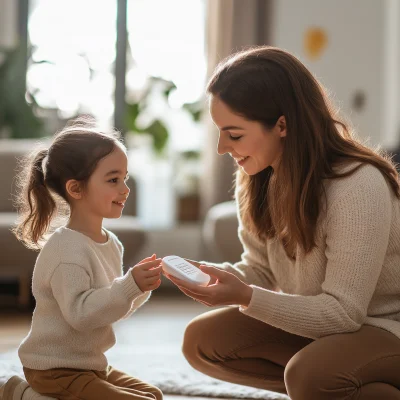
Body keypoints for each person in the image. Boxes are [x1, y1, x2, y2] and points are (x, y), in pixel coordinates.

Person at [164, 46, 400, 399]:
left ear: (283, 124)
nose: (221, 148)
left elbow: (344, 314)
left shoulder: (357, 185)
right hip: (324, 329)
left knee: (309, 375)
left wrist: (245, 296)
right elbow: (260, 269)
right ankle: (327, 381)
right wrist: (218, 278)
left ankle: (319, 379)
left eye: (235, 134)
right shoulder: (259, 177)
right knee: (202, 342)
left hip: (384, 326)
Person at [0, 117, 163, 400]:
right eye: (113, 180)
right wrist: (129, 285)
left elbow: (110, 309)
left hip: (90, 365)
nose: (125, 189)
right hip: (54, 368)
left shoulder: (111, 244)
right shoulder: (66, 250)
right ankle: (24, 394)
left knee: (153, 395)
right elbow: (82, 316)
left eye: (124, 178)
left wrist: (139, 287)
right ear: (75, 189)